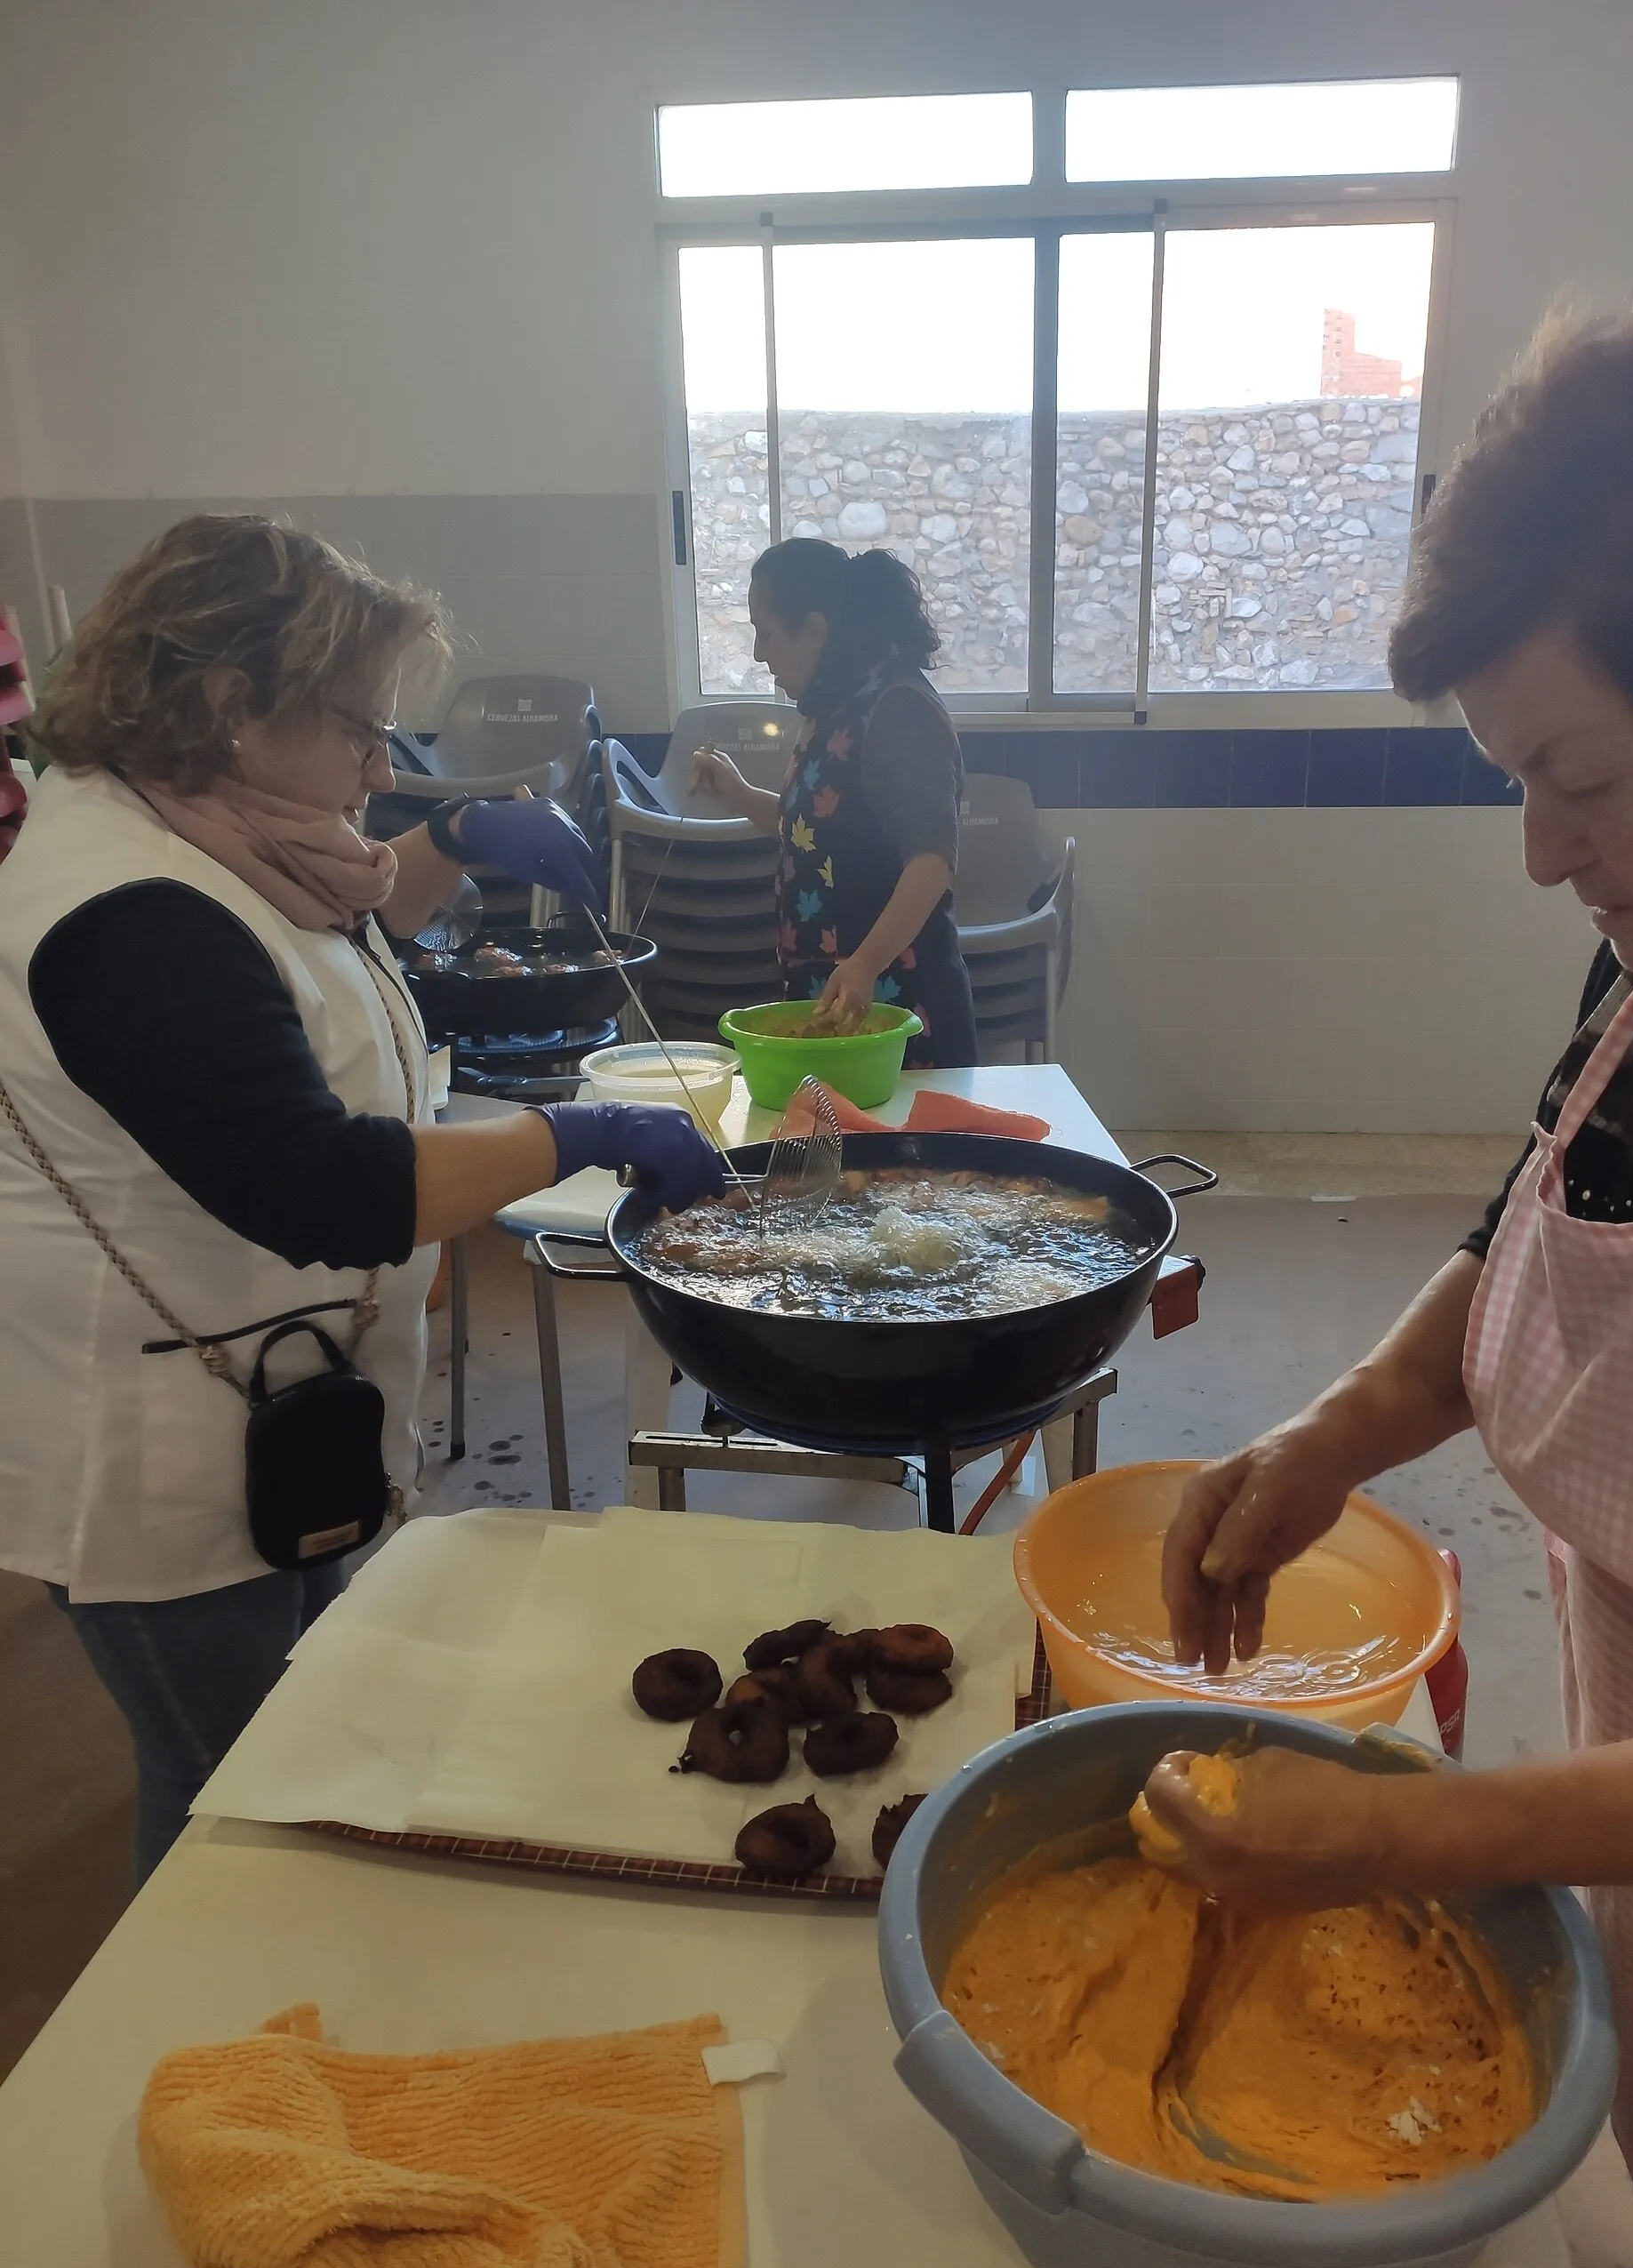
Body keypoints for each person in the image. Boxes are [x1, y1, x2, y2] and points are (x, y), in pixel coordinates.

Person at [1149, 276, 1633, 2268]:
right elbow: (1545, 1227)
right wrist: (1333, 1429)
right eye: (1514, 781)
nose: (1542, 854)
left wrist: (1389, 1833)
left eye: (1583, 777)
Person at [0, 514, 721, 1882]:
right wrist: (575, 1131)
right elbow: (321, 1182)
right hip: (161, 1445)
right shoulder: (125, 912)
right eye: (359, 729)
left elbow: (325, 958)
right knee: (233, 1788)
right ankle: (206, 2039)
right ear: (228, 708)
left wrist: (452, 836)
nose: (379, 768)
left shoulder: (226, 837)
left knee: (288, 1729)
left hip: (271, 1394)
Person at [685, 540, 978, 1067]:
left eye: (766, 633)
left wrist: (865, 964)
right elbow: (821, 834)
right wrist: (740, 794)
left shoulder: (897, 709)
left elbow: (932, 861)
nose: (758, 653)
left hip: (902, 1012)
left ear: (816, 629)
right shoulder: (838, 707)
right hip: (843, 1003)